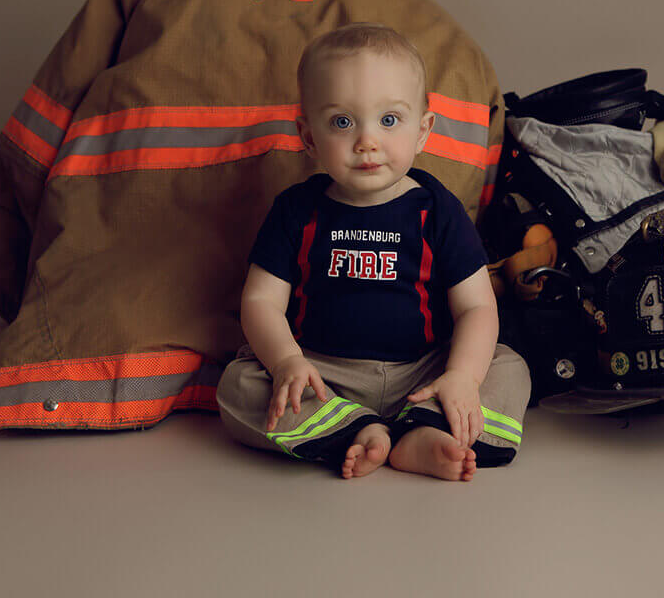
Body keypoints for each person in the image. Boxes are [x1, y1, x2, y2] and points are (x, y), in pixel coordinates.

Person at [216, 23, 530, 481]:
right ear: (308, 136)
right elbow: (261, 301)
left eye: (389, 120)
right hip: (323, 375)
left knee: (508, 367)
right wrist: (287, 360)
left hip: (425, 372)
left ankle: (425, 429)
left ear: (423, 131)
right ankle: (357, 430)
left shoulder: (435, 208)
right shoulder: (296, 210)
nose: (367, 141)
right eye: (342, 122)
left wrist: (461, 376)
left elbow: (478, 306)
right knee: (237, 384)